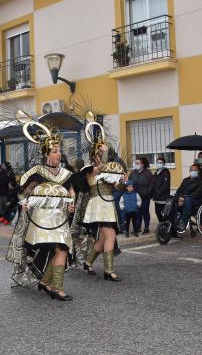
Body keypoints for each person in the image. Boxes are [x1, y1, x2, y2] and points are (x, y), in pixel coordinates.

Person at [6, 113, 76, 300]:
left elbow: (71, 192)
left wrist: (72, 205)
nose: (58, 154)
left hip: (60, 218)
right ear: (46, 153)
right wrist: (26, 202)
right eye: (54, 151)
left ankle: (50, 284)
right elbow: (22, 192)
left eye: (59, 150)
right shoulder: (36, 173)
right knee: (56, 249)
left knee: (62, 249)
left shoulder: (65, 174)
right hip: (41, 220)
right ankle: (52, 285)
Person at [81, 112, 127, 282]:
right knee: (111, 236)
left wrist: (122, 181)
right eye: (101, 153)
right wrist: (109, 165)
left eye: (104, 153)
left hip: (108, 204)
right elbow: (96, 174)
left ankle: (88, 262)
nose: (104, 155)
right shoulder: (89, 170)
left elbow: (117, 186)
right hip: (98, 206)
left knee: (103, 238)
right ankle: (108, 271)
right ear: (95, 155)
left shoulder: (107, 169)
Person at [175, 164, 202, 233]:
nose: (193, 171)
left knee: (187, 200)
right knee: (172, 199)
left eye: (195, 170)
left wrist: (184, 197)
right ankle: (172, 220)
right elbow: (179, 189)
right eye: (191, 170)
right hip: (184, 198)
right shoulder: (185, 180)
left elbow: (198, 193)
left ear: (198, 171)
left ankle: (183, 222)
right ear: (189, 171)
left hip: (195, 200)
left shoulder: (201, 181)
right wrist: (179, 196)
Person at [129, 156, 153, 235]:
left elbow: (152, 184)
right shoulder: (133, 172)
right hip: (135, 196)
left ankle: (146, 227)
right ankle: (138, 227)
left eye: (137, 163)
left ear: (142, 164)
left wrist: (147, 192)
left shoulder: (148, 173)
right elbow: (129, 182)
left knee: (145, 211)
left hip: (144, 196)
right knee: (137, 212)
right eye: (135, 163)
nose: (135, 165)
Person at [152, 156, 171, 225]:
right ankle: (162, 225)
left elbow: (165, 185)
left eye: (161, 162)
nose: (159, 163)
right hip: (157, 198)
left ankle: (166, 226)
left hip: (163, 197)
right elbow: (153, 184)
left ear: (164, 164)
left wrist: (159, 192)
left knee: (165, 213)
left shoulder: (165, 172)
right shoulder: (156, 172)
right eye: (158, 162)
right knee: (157, 212)